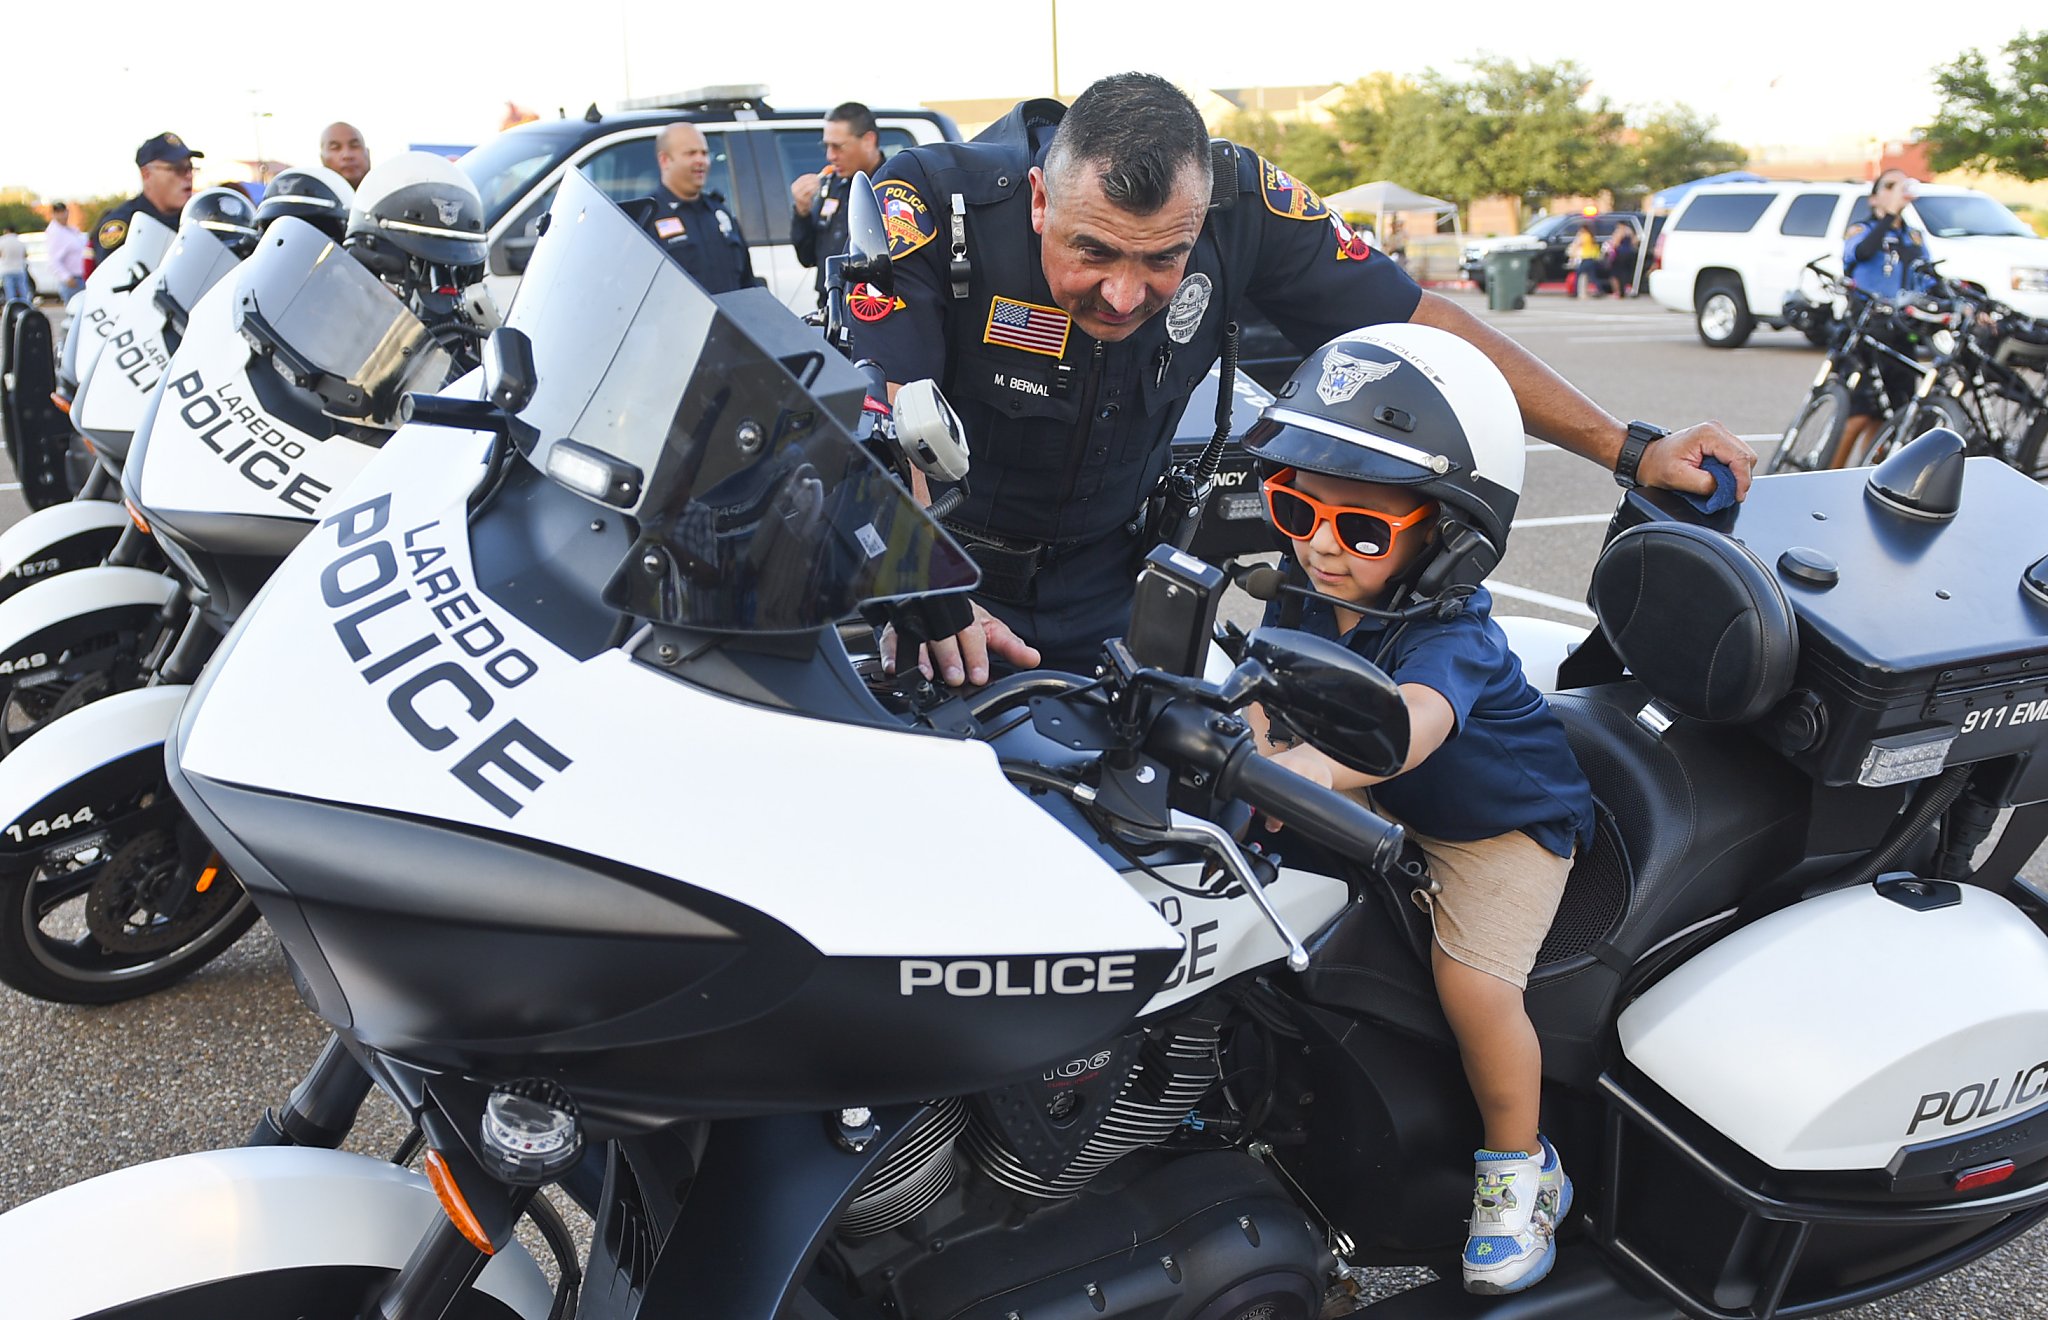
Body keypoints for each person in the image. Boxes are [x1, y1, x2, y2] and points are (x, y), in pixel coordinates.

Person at [849, 73, 1755, 683]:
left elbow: (1422, 324)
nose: (1124, 294)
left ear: (1201, 216)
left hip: (1111, 586)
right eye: (1092, 251)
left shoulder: (1246, 202)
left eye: (1163, 259)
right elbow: (883, 418)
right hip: (946, 583)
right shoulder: (932, 202)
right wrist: (924, 589)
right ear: (1044, 200)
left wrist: (1629, 448)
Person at [1248, 323, 1593, 1295]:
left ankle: (1518, 1171)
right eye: (1292, 507)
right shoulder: (1310, 592)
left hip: (1497, 829)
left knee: (1474, 990)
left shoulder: (1454, 637)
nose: (1319, 545)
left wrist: (1295, 771)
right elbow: (1262, 688)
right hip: (1383, 807)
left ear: (1441, 540)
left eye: (1359, 528)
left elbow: (1406, 731)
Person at [1829, 169, 1934, 468]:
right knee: (1859, 411)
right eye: (1889, 185)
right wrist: (1887, 216)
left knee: (1892, 413)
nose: (1897, 190)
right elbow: (1860, 253)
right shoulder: (1861, 230)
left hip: (1900, 330)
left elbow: (1926, 276)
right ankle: (1827, 472)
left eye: (1900, 185)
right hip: (1865, 328)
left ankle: (1871, 472)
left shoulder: (1912, 236)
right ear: (1874, 198)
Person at [642, 123, 756, 294]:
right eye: (691, 153)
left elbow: (747, 283)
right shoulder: (647, 219)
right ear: (665, 160)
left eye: (704, 153)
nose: (701, 161)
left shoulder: (720, 214)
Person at [792, 102, 887, 308]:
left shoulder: (891, 188)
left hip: (871, 308)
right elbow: (808, 257)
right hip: (831, 305)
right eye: (826, 146)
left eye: (838, 146)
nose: (830, 156)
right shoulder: (833, 186)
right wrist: (802, 211)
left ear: (869, 141)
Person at [93, 132, 201, 265]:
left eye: (190, 168)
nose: (189, 176)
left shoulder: (198, 219)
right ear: (146, 174)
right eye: (178, 169)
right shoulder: (125, 224)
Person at [43, 203, 88, 301]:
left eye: (63, 212)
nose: (62, 215)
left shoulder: (70, 230)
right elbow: (53, 260)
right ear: (53, 214)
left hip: (82, 277)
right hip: (74, 280)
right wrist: (67, 277)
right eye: (58, 213)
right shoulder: (55, 233)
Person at [319, 122, 372, 189]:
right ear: (322, 158)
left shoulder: (387, 190)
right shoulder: (307, 197)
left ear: (368, 153)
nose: (347, 155)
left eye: (354, 146)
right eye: (335, 147)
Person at [1570, 223, 1602, 300]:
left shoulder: (1584, 236)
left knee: (1578, 274)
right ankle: (1600, 289)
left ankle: (1575, 291)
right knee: (1592, 276)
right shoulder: (1590, 236)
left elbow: (1578, 244)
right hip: (1591, 258)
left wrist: (1578, 236)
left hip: (1586, 258)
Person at [1605, 223, 1637, 298]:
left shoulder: (1620, 231)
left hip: (1619, 255)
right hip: (1629, 254)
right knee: (1626, 273)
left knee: (1614, 274)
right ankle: (1627, 289)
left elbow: (1615, 243)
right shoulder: (1629, 231)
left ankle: (1618, 292)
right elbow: (1634, 242)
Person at [0, 226, 29, 304]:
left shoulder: (2, 241)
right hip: (19, 269)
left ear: (6, 231)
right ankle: (25, 305)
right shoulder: (19, 242)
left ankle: (12, 307)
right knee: (23, 290)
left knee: (10, 292)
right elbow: (25, 255)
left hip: (6, 269)